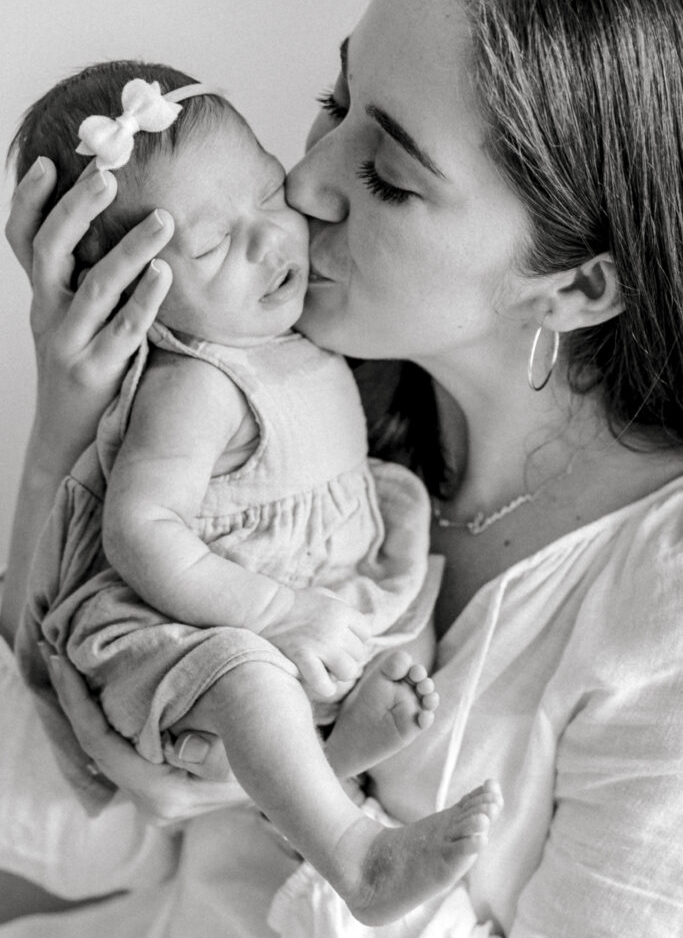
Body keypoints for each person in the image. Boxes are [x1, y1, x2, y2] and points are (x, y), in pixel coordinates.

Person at [1, 0, 683, 935]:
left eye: (389, 178)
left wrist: (301, 795)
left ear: (576, 284)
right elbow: (61, 821)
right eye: (336, 100)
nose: (305, 178)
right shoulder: (291, 406)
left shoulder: (657, 604)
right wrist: (67, 425)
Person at [11, 59, 501, 925]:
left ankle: (323, 758)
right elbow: (137, 531)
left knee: (374, 624)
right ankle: (356, 855)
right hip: (175, 628)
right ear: (133, 299)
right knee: (247, 677)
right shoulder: (196, 383)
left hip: (282, 603)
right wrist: (275, 613)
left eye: (268, 193)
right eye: (210, 245)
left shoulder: (305, 335)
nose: (277, 235)